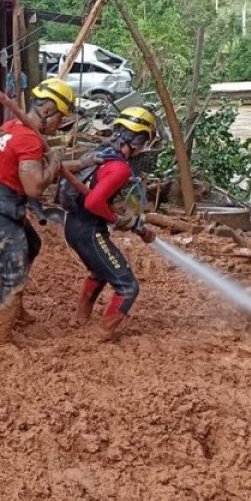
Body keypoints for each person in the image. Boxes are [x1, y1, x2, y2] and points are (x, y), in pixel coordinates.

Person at [0, 77, 85, 344]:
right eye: (60, 118)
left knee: (31, 244)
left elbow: (32, 168)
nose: (60, 124)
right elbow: (34, 187)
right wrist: (54, 163)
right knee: (15, 266)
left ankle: (16, 311)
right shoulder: (30, 141)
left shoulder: (13, 126)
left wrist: (79, 162)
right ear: (47, 111)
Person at [58, 106, 159, 341]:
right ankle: (102, 335)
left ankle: (80, 319)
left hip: (74, 225)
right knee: (128, 287)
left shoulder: (102, 153)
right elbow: (94, 202)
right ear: (139, 140)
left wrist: (131, 223)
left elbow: (94, 196)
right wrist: (116, 220)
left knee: (100, 270)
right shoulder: (120, 168)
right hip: (89, 230)